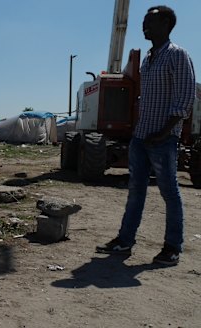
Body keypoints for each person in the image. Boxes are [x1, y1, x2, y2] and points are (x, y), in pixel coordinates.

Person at [96, 6, 196, 266]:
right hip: (141, 137)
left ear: (165, 23)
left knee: (169, 193)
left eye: (148, 21)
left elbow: (184, 101)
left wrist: (163, 133)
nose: (144, 26)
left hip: (162, 139)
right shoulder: (149, 58)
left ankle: (172, 247)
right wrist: (139, 133)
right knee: (135, 191)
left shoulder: (178, 55)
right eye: (143, 22)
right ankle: (124, 241)